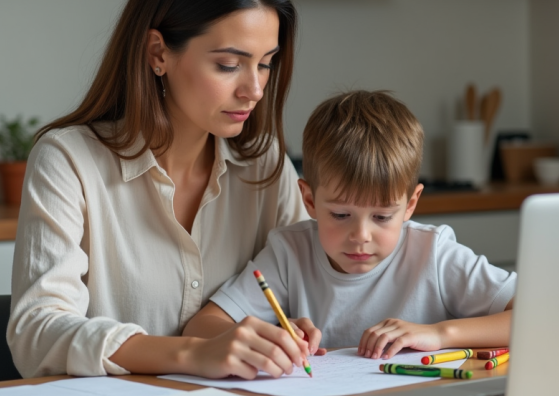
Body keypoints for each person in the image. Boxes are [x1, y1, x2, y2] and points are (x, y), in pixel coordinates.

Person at [7, 0, 317, 381]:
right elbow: (36, 334)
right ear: (158, 54)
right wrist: (193, 354)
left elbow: (298, 284)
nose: (255, 89)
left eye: (266, 63)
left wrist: (295, 325)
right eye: (229, 64)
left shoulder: (265, 165)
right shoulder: (68, 160)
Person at [184, 90, 517, 362]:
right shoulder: (290, 252)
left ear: (410, 205)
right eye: (341, 215)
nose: (361, 236)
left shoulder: (433, 253)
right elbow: (201, 327)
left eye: (383, 217)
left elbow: (537, 314)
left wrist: (441, 333)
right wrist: (265, 336)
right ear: (310, 201)